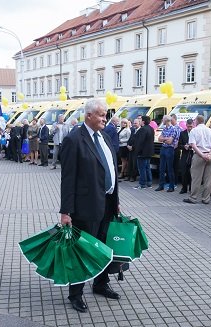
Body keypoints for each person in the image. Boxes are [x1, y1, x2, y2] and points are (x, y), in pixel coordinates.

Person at [59, 99, 121, 313]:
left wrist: (116, 200)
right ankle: (75, 294)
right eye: (101, 115)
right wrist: (65, 211)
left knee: (105, 247)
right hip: (85, 207)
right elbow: (67, 179)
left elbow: (110, 169)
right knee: (82, 251)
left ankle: (100, 284)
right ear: (89, 116)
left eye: (106, 115)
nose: (105, 118)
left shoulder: (104, 136)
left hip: (107, 203)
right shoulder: (73, 140)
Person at [183, 115, 211, 204]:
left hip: (199, 155)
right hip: (210, 156)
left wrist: (202, 155)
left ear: (196, 121)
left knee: (196, 178)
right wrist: (210, 154)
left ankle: (193, 197)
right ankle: (206, 199)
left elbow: (193, 145)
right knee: (208, 179)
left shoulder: (194, 131)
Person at [156, 115, 178, 192]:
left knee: (169, 168)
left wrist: (163, 139)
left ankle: (171, 186)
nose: (162, 120)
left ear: (166, 120)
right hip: (163, 148)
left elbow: (170, 141)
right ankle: (161, 185)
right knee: (161, 168)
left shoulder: (174, 129)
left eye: (163, 119)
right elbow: (159, 139)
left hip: (170, 149)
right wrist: (165, 138)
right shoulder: (164, 129)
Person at [133, 116, 154, 189]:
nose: (140, 121)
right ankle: (149, 183)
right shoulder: (151, 129)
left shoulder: (143, 129)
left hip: (142, 152)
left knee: (142, 168)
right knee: (147, 167)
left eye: (141, 120)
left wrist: (137, 151)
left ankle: (142, 184)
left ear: (143, 122)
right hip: (149, 152)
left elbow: (140, 142)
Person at [179, 119, 194, 194]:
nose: (190, 128)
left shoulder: (195, 132)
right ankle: (184, 188)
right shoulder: (182, 133)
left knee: (192, 173)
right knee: (184, 172)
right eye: (188, 127)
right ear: (186, 126)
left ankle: (192, 188)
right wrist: (184, 146)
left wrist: (192, 146)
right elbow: (179, 145)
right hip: (185, 155)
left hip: (193, 154)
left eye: (191, 126)